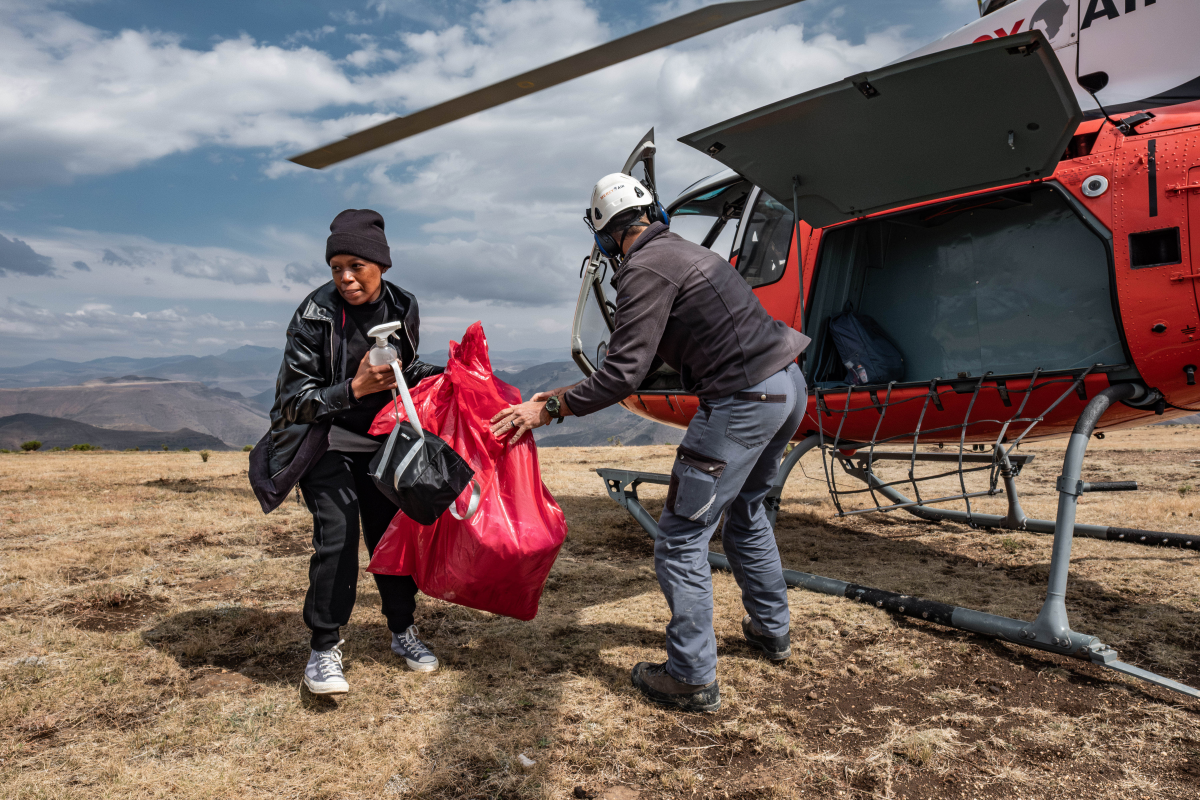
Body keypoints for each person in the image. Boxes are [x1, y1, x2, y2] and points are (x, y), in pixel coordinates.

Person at [491, 174, 810, 713]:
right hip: (786, 386)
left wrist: (548, 408)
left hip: (741, 401)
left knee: (682, 538)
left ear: (604, 236)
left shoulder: (642, 269)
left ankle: (690, 675)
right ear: (651, 213)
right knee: (748, 512)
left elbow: (622, 374)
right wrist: (565, 393)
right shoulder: (684, 253)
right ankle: (771, 630)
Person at [267, 209, 445, 696]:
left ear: (381, 264)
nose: (345, 277)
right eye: (335, 267)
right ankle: (323, 649)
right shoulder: (312, 314)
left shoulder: (403, 303)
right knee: (339, 536)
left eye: (356, 266)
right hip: (326, 441)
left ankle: (402, 631)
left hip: (385, 443)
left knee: (392, 537)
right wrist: (355, 388)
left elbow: (402, 366)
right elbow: (291, 402)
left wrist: (448, 374)